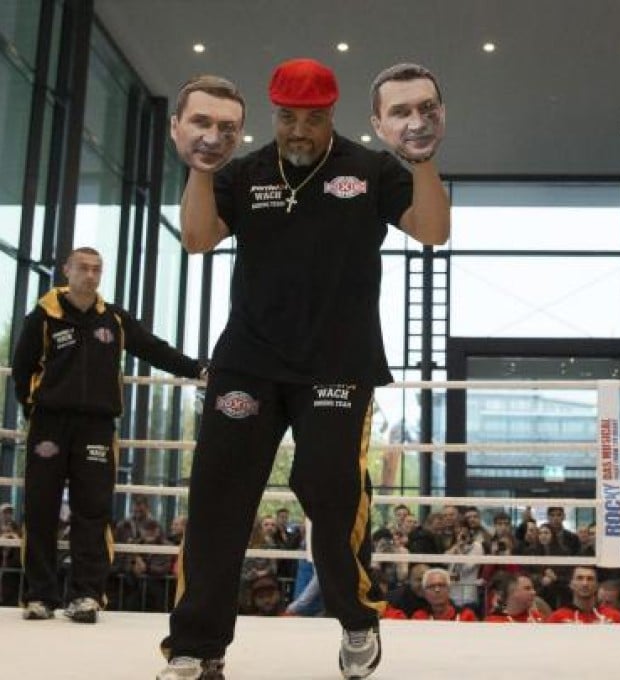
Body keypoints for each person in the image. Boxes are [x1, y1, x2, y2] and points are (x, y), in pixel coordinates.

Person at [159, 61, 448, 680]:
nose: (299, 130)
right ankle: (196, 648)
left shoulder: (369, 170)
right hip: (248, 363)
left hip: (338, 364)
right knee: (218, 499)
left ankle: (356, 618)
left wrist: (422, 162)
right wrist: (200, 169)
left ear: (332, 116)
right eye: (288, 117)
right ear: (273, 114)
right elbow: (197, 238)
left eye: (312, 119)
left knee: (329, 487)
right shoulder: (244, 171)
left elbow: (433, 230)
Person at [11, 246, 205, 624]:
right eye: (83, 268)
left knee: (93, 511)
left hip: (97, 427)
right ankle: (39, 595)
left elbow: (153, 348)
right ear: (66, 270)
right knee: (40, 507)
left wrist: (198, 370)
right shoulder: (42, 317)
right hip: (48, 425)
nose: (90, 275)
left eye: (97, 269)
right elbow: (22, 371)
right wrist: (33, 409)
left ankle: (86, 595)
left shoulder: (113, 319)